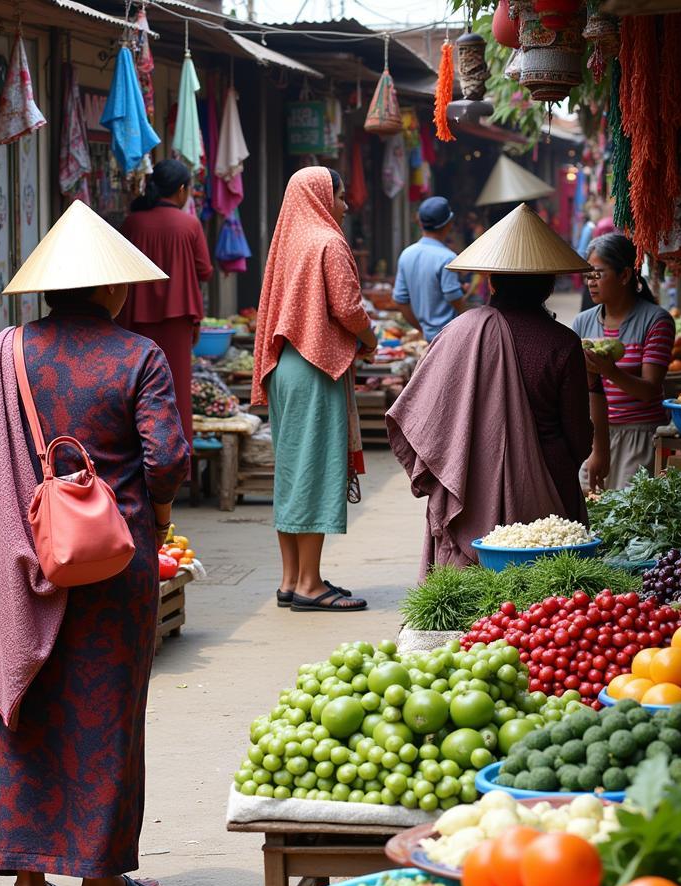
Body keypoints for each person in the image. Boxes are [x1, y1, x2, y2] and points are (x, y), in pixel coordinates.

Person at [0, 201, 189, 886]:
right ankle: (104, 884)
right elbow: (167, 458)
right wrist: (158, 514)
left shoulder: (4, 352)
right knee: (109, 713)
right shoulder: (138, 357)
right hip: (115, 565)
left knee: (26, 701)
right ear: (113, 288)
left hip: (24, 561)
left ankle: (27, 883)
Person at [386, 203, 595, 576]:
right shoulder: (563, 344)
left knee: (468, 606)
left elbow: (423, 419)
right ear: (549, 284)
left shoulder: (457, 332)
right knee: (544, 611)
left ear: (491, 282)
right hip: (548, 491)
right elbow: (579, 439)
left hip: (468, 486)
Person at [251, 166, 377, 611]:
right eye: (340, 196)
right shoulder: (328, 241)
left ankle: (292, 579)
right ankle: (309, 585)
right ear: (323, 197)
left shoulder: (287, 244)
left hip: (285, 367)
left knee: (291, 471)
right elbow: (347, 308)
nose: (345, 205)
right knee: (316, 471)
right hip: (315, 368)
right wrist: (370, 337)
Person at [119, 159, 213, 443]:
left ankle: (135, 453)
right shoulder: (189, 224)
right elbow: (205, 271)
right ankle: (175, 461)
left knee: (134, 387)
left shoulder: (132, 222)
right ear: (182, 190)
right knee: (176, 390)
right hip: (177, 320)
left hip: (135, 318)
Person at [573, 232, 676, 491]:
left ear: (625, 275)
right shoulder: (582, 322)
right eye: (588, 275)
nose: (591, 283)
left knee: (629, 516)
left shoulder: (656, 321)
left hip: (640, 436)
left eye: (598, 273)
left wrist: (610, 372)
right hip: (594, 436)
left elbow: (649, 390)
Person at [392, 196, 467, 342]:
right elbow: (453, 298)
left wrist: (422, 328)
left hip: (428, 338)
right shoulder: (447, 258)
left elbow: (400, 301)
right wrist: (471, 316)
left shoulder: (406, 254)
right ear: (449, 224)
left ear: (420, 223)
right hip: (449, 338)